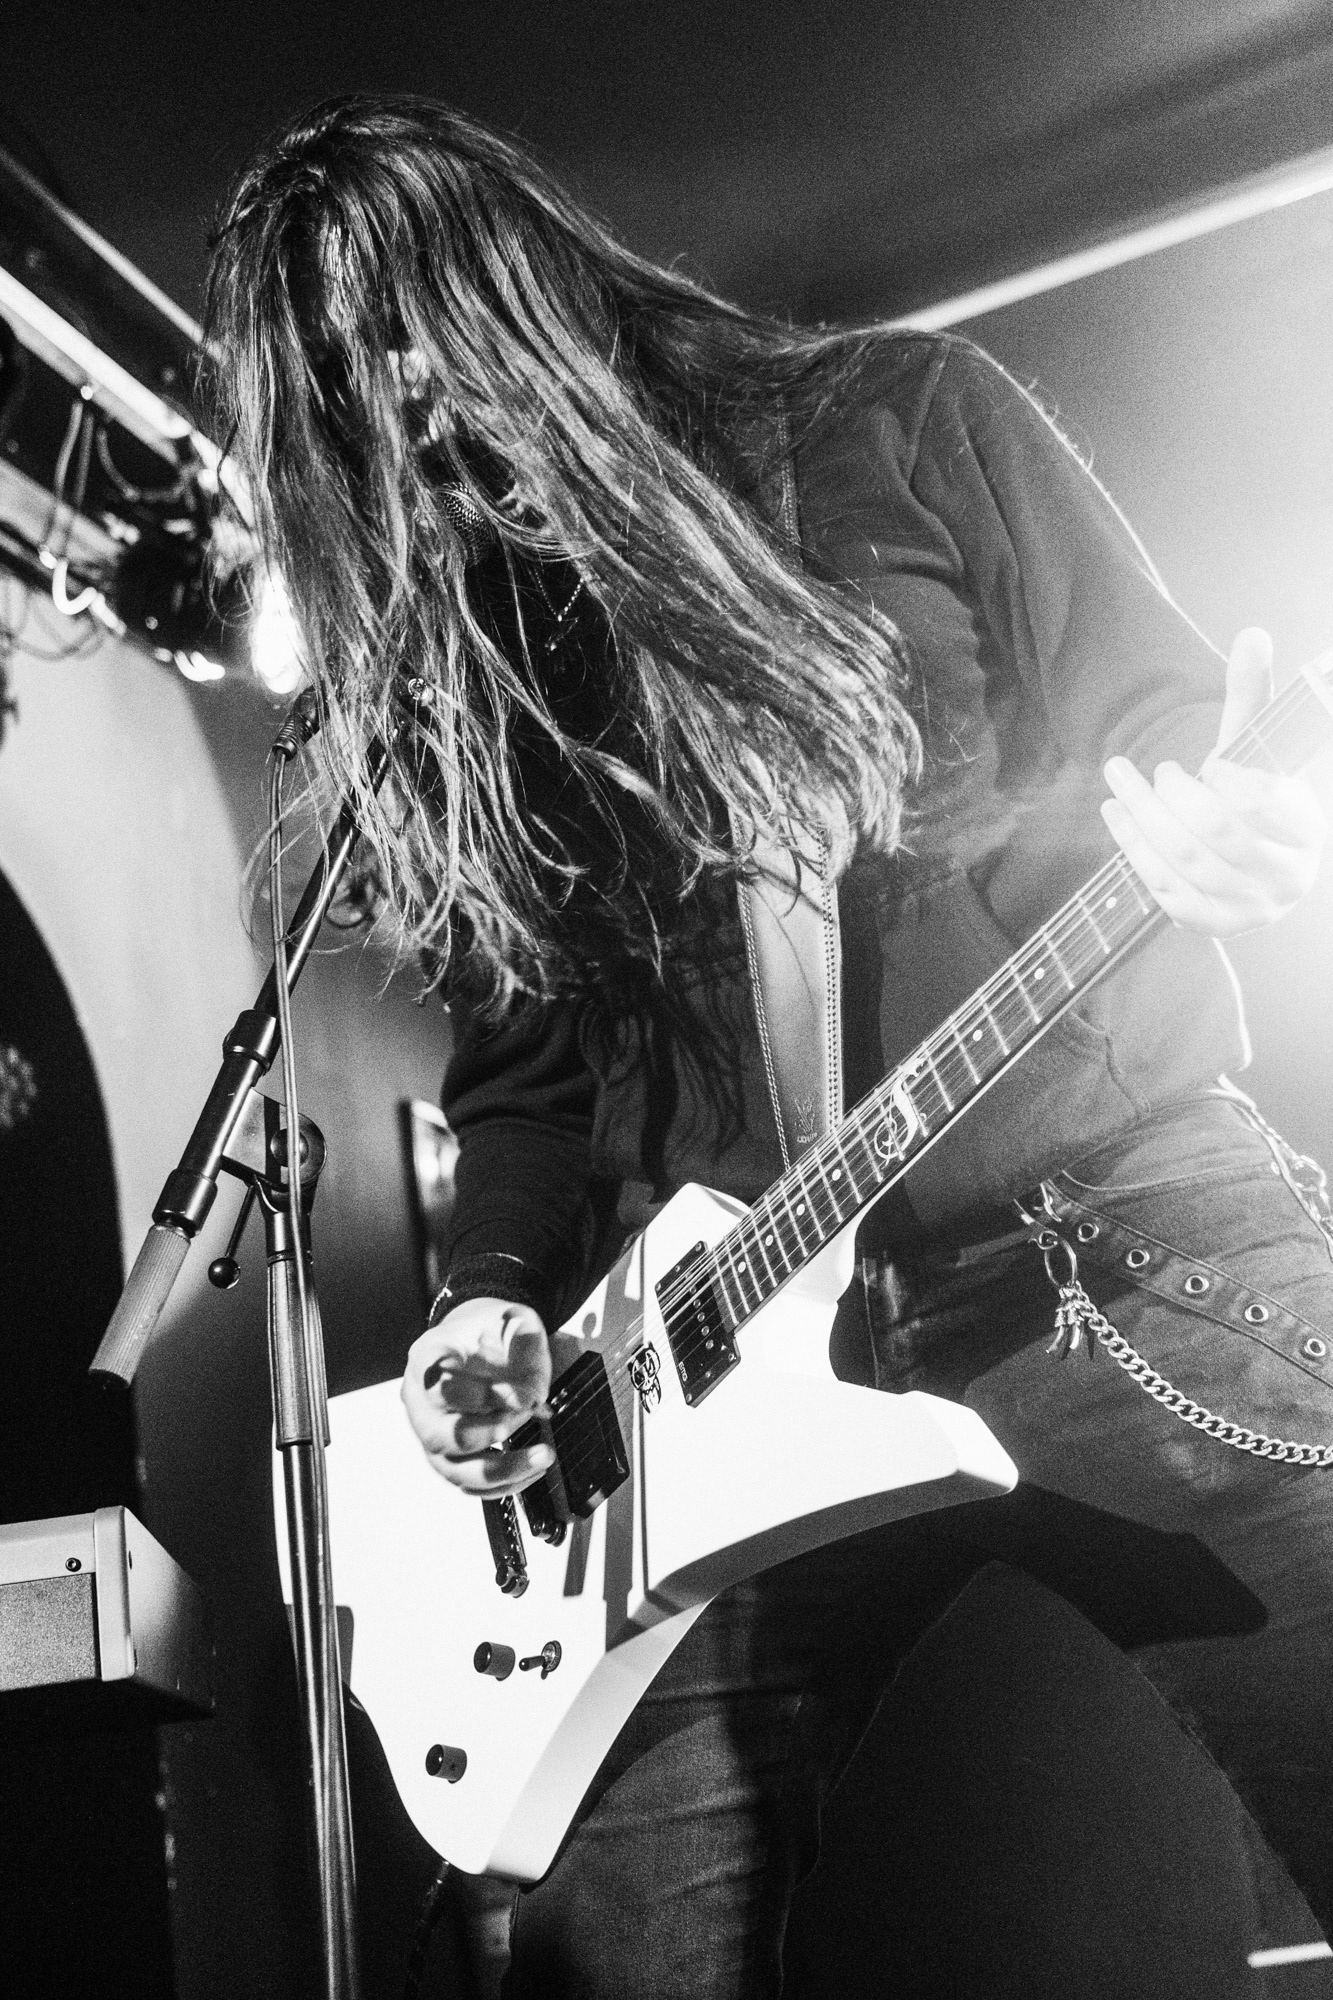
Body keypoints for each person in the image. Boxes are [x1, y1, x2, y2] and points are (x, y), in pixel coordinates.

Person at [206, 95, 1333, 1997]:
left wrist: (1237, 829)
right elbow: (526, 1081)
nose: (395, 410)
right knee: (606, 1961)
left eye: (403, 341)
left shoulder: (892, 421)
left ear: (518, 292)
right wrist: (486, 1294)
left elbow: (1172, 734)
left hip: (1108, 1248)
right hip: (700, 1388)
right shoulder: (484, 689)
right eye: (336, 402)